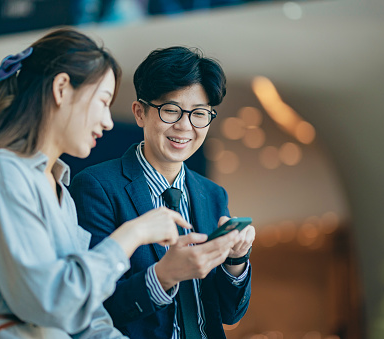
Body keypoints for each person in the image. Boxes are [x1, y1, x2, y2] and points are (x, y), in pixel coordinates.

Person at [0, 28, 191, 339]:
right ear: (62, 89)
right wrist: (133, 233)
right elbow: (52, 301)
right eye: (103, 101)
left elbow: (84, 314)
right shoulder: (1, 172)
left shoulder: (61, 195)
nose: (108, 121)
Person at [69, 46, 255, 339]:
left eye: (199, 114)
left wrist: (237, 260)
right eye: (171, 110)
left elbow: (230, 313)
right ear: (140, 113)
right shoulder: (97, 186)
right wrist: (163, 276)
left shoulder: (213, 194)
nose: (185, 126)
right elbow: (92, 306)